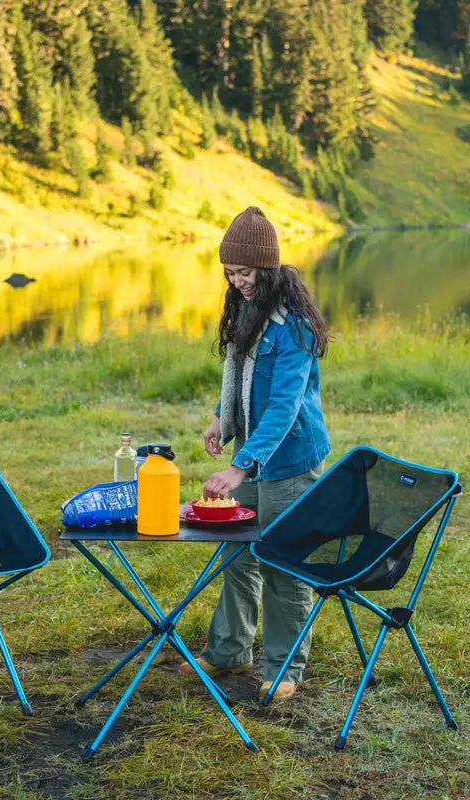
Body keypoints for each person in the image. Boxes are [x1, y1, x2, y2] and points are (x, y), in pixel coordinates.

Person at [179, 206, 330, 701]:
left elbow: (284, 406)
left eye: (244, 272)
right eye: (229, 272)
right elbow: (244, 378)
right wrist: (222, 418)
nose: (237, 281)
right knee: (236, 552)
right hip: (253, 449)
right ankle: (229, 650)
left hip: (290, 459)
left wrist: (240, 466)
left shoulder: (295, 326)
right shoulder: (247, 310)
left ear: (267, 268)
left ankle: (285, 667)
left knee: (281, 561)